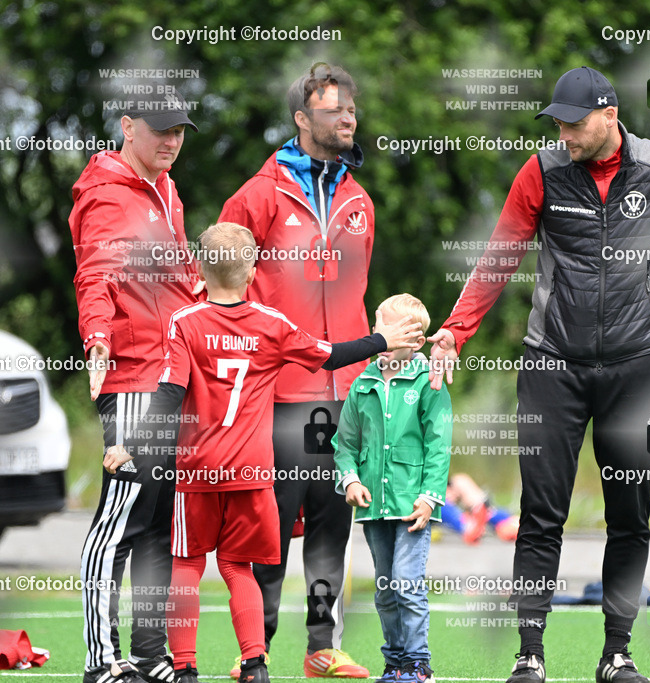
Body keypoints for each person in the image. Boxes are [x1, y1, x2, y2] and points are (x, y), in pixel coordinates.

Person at [428, 66, 650, 683]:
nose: (563, 132)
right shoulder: (541, 171)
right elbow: (499, 254)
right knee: (541, 513)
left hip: (637, 367)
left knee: (631, 516)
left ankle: (617, 653)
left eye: (574, 121)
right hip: (551, 366)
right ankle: (529, 653)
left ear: (610, 115)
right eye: (557, 122)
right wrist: (455, 330)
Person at [102, 223, 423, 683]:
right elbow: (331, 355)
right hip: (252, 472)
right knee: (237, 567)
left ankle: (186, 668)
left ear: (198, 268)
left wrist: (129, 445)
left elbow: (168, 397)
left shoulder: (185, 322)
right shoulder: (272, 325)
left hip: (197, 473)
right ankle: (255, 664)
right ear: (253, 271)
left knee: (188, 566)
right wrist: (383, 342)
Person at [217, 63, 373, 678]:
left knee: (333, 525)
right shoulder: (257, 196)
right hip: (277, 396)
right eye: (333, 109)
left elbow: (355, 296)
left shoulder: (359, 200)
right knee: (270, 528)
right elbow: (223, 288)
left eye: (351, 107)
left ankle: (320, 650)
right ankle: (255, 650)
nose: (347, 117)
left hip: (346, 397)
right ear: (304, 120)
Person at [70, 88, 199, 683]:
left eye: (179, 131)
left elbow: (179, 275)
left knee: (154, 521)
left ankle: (151, 659)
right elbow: (95, 271)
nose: (171, 141)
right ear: (128, 126)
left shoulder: (166, 189)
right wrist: (96, 333)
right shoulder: (105, 193)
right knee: (116, 523)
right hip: (127, 375)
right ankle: (103, 663)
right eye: (161, 130)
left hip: (171, 373)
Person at [333, 294, 452, 683]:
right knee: (385, 589)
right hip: (373, 506)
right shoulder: (363, 383)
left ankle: (418, 663)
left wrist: (430, 496)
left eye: (388, 327)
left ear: (416, 341)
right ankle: (395, 662)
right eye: (377, 326)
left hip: (412, 504)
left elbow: (439, 442)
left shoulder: (428, 381)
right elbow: (345, 443)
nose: (377, 334)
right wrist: (349, 479)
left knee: (406, 582)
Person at [442, 473, 520, 544]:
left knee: (460, 480)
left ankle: (512, 523)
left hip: (477, 515)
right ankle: (473, 524)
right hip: (466, 518)